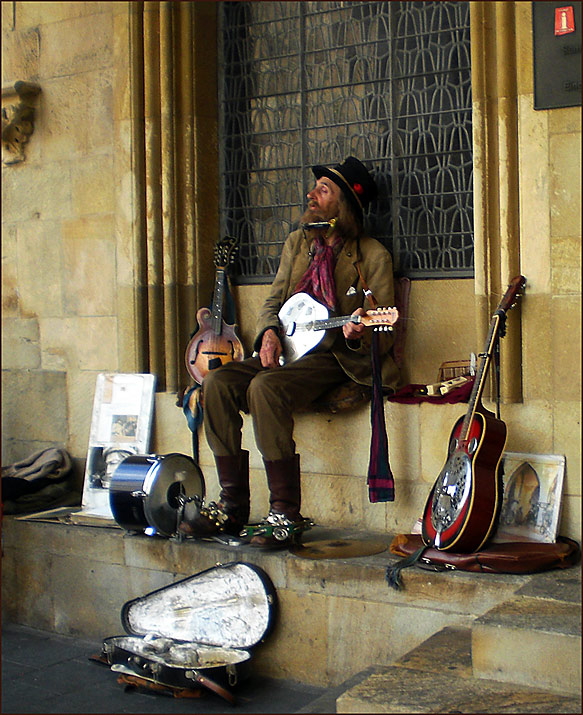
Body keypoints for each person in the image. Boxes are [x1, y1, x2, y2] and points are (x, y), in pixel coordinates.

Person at [179, 156, 400, 547]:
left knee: (266, 388)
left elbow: (382, 336)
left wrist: (354, 333)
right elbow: (273, 301)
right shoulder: (298, 243)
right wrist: (267, 332)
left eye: (324, 190)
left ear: (344, 204)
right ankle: (232, 506)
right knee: (218, 382)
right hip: (287, 351)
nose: (311, 195)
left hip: (334, 360)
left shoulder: (372, 257)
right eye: (315, 188)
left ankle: (285, 513)